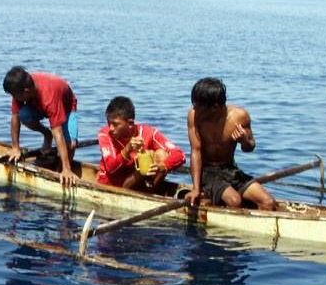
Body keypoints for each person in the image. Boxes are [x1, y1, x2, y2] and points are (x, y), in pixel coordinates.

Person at [186, 77, 276, 210]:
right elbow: (196, 151)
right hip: (206, 172)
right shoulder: (194, 116)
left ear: (214, 107)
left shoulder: (240, 116)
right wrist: (196, 189)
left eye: (198, 105)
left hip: (229, 169)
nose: (194, 108)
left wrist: (244, 140)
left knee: (268, 202)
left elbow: (249, 147)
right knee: (235, 201)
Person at [3, 66, 80, 186]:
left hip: (66, 106)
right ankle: (46, 135)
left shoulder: (49, 96)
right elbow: (15, 117)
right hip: (38, 105)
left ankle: (63, 170)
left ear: (26, 92)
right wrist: (15, 148)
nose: (13, 98)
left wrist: (66, 168)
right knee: (24, 115)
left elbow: (58, 132)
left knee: (71, 144)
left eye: (15, 96)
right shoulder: (19, 88)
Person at [96, 96, 185, 192]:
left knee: (162, 155)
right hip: (111, 184)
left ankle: (149, 192)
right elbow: (111, 168)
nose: (111, 128)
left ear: (130, 123)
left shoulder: (149, 133)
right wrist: (127, 149)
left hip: (138, 182)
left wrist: (163, 166)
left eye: (115, 124)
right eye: (109, 123)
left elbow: (180, 155)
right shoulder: (105, 134)